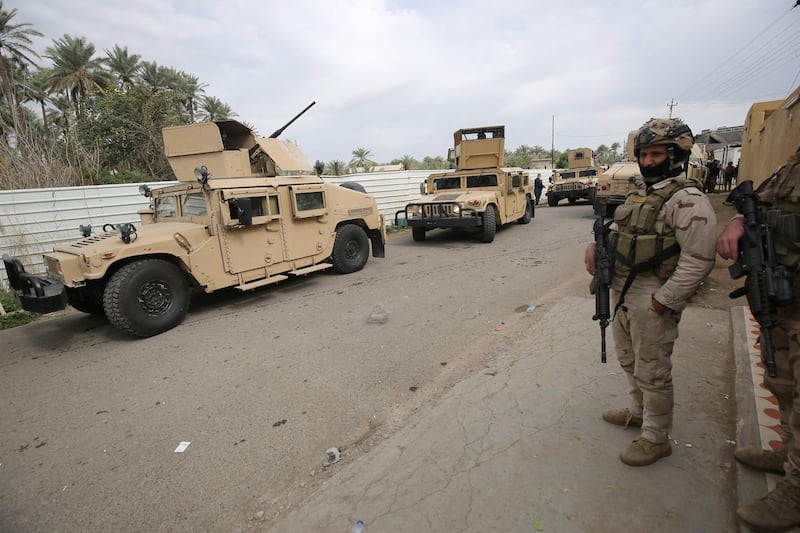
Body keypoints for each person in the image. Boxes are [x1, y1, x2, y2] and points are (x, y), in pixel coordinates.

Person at [584, 118, 716, 466]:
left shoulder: (687, 200)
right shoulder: (642, 193)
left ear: (676, 155)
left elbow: (698, 260)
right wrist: (595, 248)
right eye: (644, 154)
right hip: (623, 291)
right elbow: (623, 232)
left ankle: (656, 438)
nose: (648, 161)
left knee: (653, 369)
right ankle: (639, 411)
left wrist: (664, 301)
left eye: (656, 153)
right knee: (629, 359)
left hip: (654, 291)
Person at [717, 145, 800, 531]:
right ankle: (788, 454)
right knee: (782, 380)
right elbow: (763, 202)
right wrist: (737, 220)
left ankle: (795, 493)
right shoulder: (792, 164)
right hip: (785, 297)